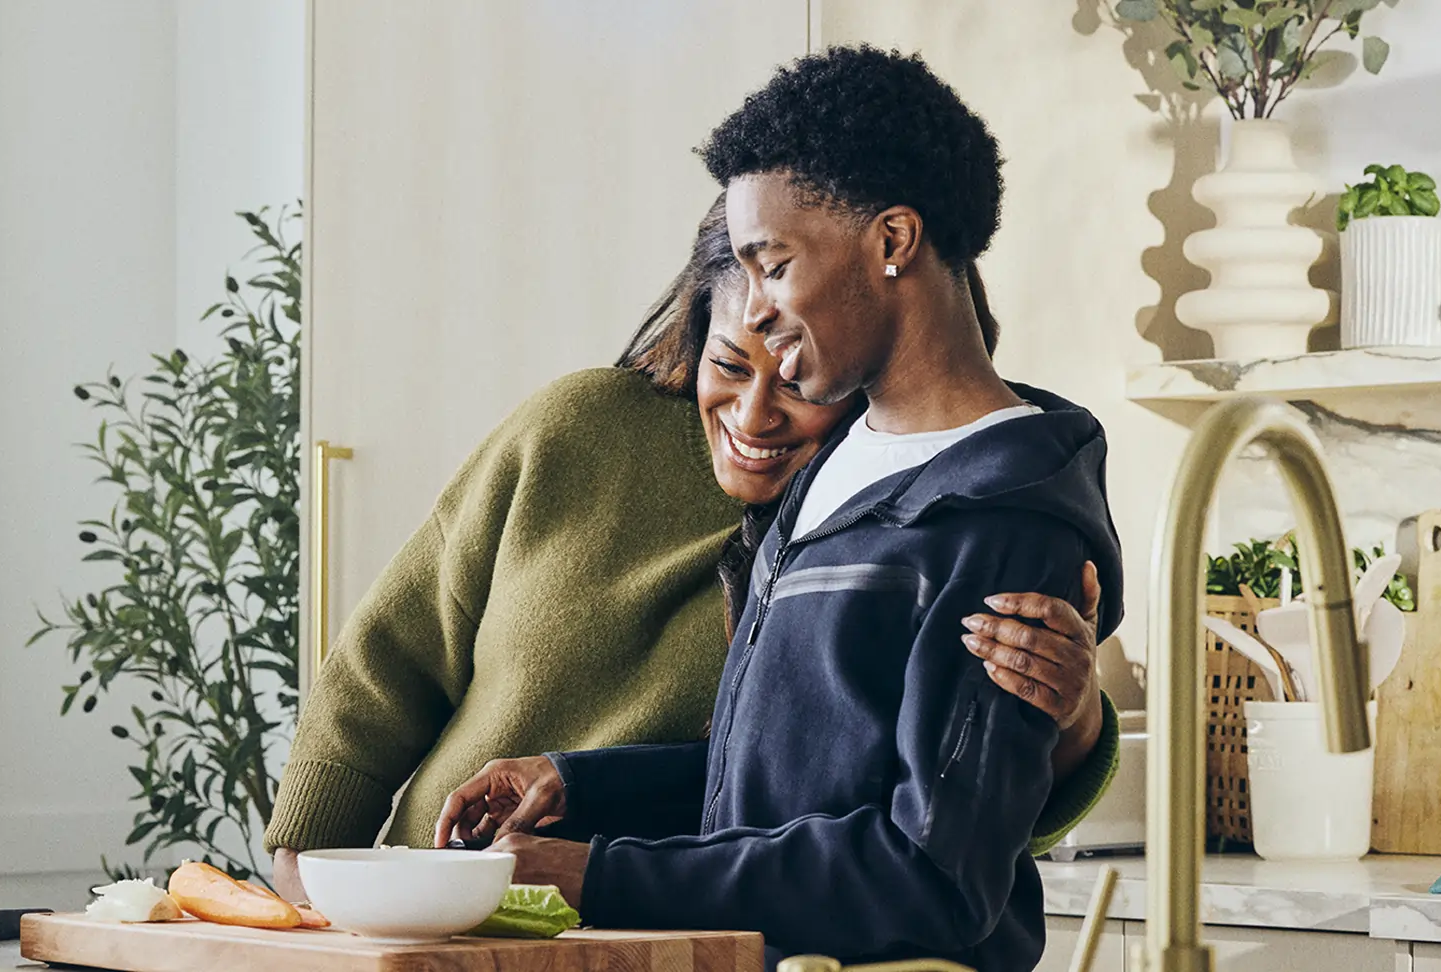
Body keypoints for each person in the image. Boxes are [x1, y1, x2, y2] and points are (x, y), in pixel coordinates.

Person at [437, 46, 1124, 972]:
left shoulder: (1002, 518)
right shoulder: (839, 470)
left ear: (892, 242)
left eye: (773, 265)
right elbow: (776, 794)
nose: (751, 313)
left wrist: (595, 876)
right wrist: (576, 784)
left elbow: (933, 877)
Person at [262, 208, 1120, 899]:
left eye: (791, 377)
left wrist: (1074, 718)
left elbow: (945, 833)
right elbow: (390, 654)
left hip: (633, 939)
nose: (752, 416)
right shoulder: (576, 429)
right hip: (426, 907)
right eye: (727, 364)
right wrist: (311, 859)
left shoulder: (914, 528)